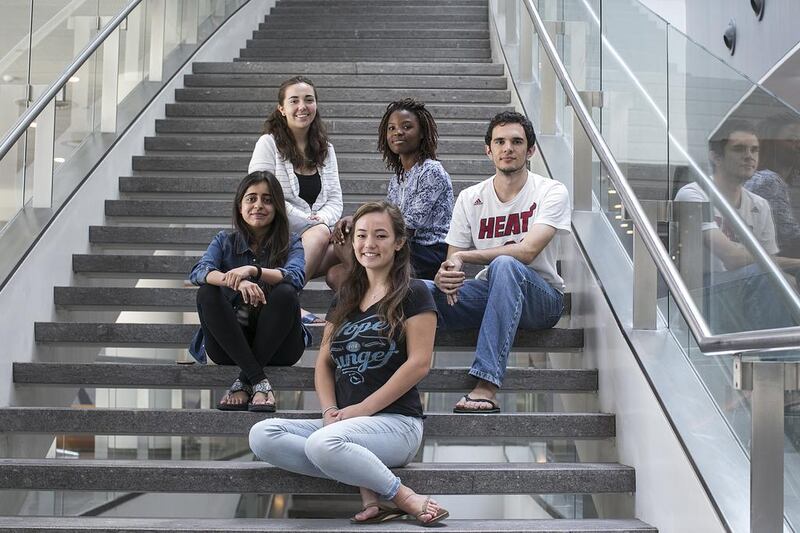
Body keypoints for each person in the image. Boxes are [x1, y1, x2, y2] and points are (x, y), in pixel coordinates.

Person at [249, 201, 448, 526]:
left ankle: (402, 497)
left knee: (323, 443)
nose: (369, 244)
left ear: (398, 242)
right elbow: (325, 363)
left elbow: (419, 364)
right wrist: (329, 412)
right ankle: (368, 481)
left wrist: (360, 410)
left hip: (397, 424)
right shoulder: (344, 298)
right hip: (343, 424)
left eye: (381, 235)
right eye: (362, 235)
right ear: (352, 241)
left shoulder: (414, 292)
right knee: (262, 434)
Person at [430, 111, 570, 413]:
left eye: (517, 142)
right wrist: (446, 276)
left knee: (505, 265)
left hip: (542, 299)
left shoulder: (551, 191)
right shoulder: (470, 197)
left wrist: (464, 257)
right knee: (417, 291)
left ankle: (487, 384)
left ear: (530, 150)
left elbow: (527, 252)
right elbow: (452, 259)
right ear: (488, 150)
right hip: (492, 293)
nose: (508, 148)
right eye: (500, 142)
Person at [189, 171, 308, 411]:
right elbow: (199, 272)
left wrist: (253, 271)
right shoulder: (224, 241)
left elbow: (296, 277)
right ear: (240, 206)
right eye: (251, 198)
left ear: (277, 207)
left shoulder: (291, 242)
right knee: (207, 292)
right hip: (230, 344)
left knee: (285, 292)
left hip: (281, 347)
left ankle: (245, 382)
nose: (258, 205)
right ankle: (259, 382)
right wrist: (235, 281)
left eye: (267, 199)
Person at [674, 120, 800, 332]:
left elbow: (772, 263)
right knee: (766, 275)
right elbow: (732, 258)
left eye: (754, 149)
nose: (749, 156)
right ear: (716, 157)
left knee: (781, 279)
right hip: (702, 298)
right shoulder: (694, 194)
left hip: (744, 296)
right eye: (739, 149)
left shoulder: (760, 205)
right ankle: (779, 357)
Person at [329, 99, 454, 287]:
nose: (398, 132)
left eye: (407, 126)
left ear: (421, 134)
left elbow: (407, 226)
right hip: (405, 246)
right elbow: (387, 216)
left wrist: (358, 224)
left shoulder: (431, 171)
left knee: (348, 245)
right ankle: (373, 286)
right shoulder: (398, 178)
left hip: (429, 251)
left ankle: (374, 288)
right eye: (391, 128)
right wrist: (354, 219)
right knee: (334, 274)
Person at [248, 75, 342, 324]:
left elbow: (335, 200)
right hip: (277, 239)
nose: (302, 106)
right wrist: (315, 224)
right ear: (282, 109)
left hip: (313, 240)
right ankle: (285, 300)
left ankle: (363, 311)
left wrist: (320, 220)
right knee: (322, 233)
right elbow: (265, 198)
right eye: (294, 100)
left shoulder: (326, 149)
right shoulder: (267, 144)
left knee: (348, 246)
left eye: (309, 100)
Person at [745, 112, 800, 257]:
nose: (798, 144)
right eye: (792, 139)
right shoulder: (768, 180)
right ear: (770, 144)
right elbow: (787, 236)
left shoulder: (759, 178)